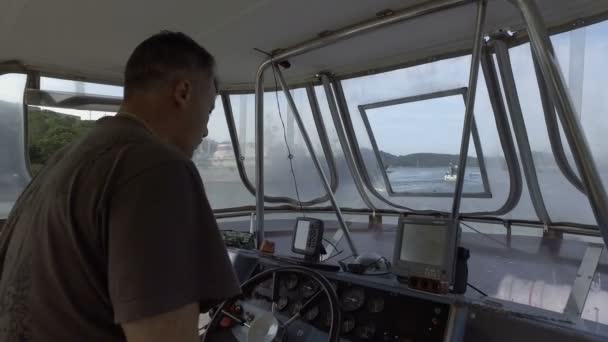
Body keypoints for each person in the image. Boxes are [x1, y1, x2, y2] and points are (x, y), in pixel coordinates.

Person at [0, 31, 240, 341]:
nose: (206, 131)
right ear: (183, 92)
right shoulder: (159, 167)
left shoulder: (66, 160)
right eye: (208, 112)